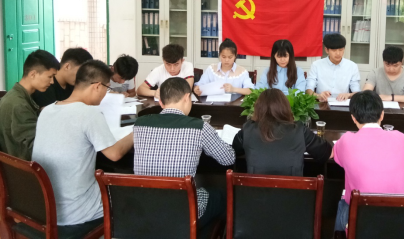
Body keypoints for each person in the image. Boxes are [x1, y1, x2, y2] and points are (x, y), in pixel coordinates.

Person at [32, 60, 134, 226]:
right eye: (107, 88)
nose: (106, 94)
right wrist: (136, 132)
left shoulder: (47, 110)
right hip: (77, 211)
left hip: (43, 207)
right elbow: (115, 154)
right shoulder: (89, 113)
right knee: (133, 193)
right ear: (97, 86)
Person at [134, 77, 235, 230]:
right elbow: (228, 159)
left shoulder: (139, 124)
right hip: (183, 213)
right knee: (223, 195)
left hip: (144, 210)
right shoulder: (199, 127)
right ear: (187, 97)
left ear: (160, 102)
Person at [333, 91, 404, 232]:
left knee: (342, 202)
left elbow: (337, 158)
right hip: (398, 223)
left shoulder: (346, 140)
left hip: (360, 225)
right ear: (382, 115)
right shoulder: (400, 138)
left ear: (353, 118)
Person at [233, 88, 332, 176]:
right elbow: (327, 153)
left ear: (258, 108)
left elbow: (234, 152)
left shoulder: (248, 129)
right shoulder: (299, 129)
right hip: (292, 191)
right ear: (286, 107)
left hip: (255, 191)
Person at [0, 50, 60, 161]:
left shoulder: (15, 96)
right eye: (50, 76)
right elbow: (37, 147)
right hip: (23, 167)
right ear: (33, 74)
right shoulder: (19, 105)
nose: (52, 82)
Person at [306, 34, 361, 102]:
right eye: (334, 50)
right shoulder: (316, 65)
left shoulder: (352, 66)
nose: (338, 53)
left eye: (341, 50)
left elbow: (357, 92)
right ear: (326, 50)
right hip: (322, 103)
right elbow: (308, 89)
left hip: (342, 103)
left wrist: (348, 95)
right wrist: (318, 95)